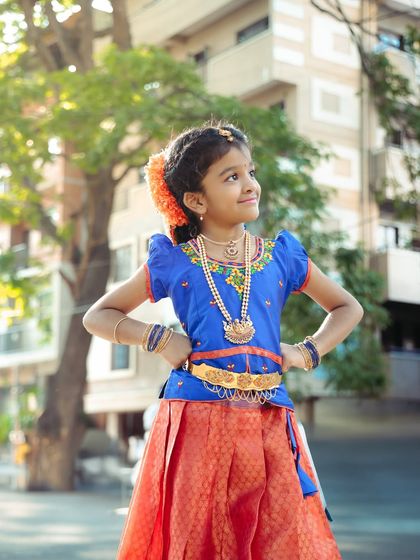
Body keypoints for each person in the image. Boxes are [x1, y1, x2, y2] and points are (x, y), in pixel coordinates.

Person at [83, 123, 363, 559]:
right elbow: (97, 316)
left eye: (250, 172)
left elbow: (348, 308)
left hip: (270, 423)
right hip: (197, 422)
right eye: (231, 177)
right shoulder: (174, 262)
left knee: (279, 540)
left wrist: (305, 352)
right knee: (201, 542)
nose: (250, 185)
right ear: (195, 200)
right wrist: (157, 338)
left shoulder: (281, 257)